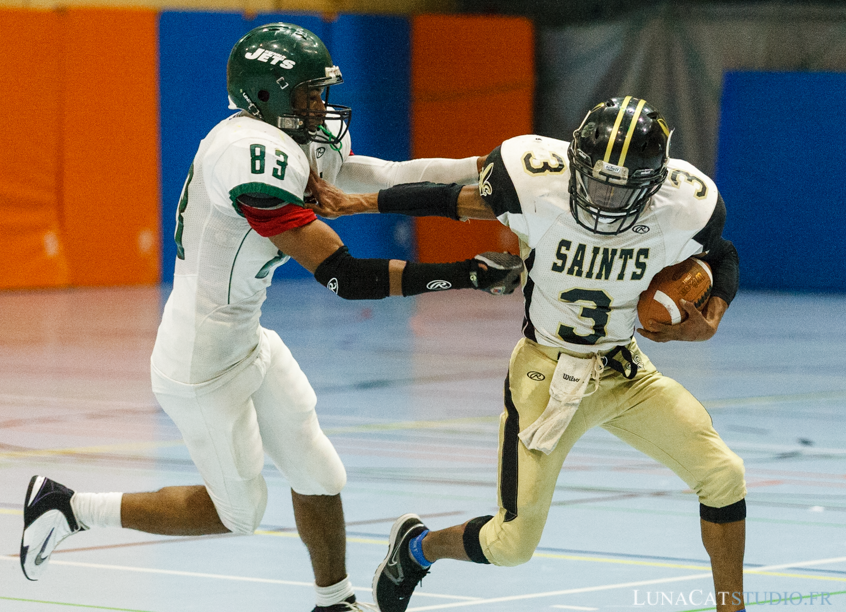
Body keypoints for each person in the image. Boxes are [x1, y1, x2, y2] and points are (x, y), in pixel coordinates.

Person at [18, 23, 522, 612]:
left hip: (246, 337)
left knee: (320, 472)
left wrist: (477, 166)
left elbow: (381, 176)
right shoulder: (248, 157)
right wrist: (463, 274)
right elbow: (345, 277)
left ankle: (334, 603)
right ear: (267, 96)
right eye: (308, 94)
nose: (320, 107)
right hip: (200, 359)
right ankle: (68, 506)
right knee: (239, 513)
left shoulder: (282, 140)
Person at [306, 96, 747, 612]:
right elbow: (455, 199)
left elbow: (722, 253)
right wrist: (356, 203)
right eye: (597, 181)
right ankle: (417, 548)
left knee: (724, 475)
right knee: (510, 545)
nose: (604, 198)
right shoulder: (536, 180)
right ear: (576, 158)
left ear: (654, 183)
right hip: (548, 372)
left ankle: (731, 606)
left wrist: (710, 319)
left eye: (619, 188)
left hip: (626, 371)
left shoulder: (686, 204)